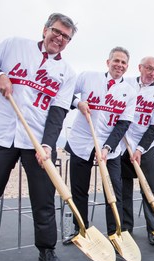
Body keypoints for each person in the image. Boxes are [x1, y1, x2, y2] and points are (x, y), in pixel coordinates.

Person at [0, 13, 77, 261]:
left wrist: (48, 145)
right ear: (45, 29)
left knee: (44, 200)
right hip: (0, 135)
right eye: (56, 31)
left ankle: (47, 251)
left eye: (65, 37)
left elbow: (58, 113)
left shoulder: (67, 73)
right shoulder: (14, 45)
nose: (59, 38)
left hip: (37, 141)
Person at [64, 47, 136, 242]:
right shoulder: (88, 77)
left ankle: (115, 233)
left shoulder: (130, 92)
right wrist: (77, 103)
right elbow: (64, 90)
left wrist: (106, 148)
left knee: (114, 191)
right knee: (79, 190)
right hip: (81, 141)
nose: (119, 65)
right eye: (116, 61)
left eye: (123, 63)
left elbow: (123, 124)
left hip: (110, 148)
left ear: (127, 67)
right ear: (108, 62)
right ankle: (81, 230)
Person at [120, 57, 154, 245]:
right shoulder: (125, 84)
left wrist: (140, 148)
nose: (152, 72)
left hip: (145, 145)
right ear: (140, 68)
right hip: (122, 143)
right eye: (149, 68)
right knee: (124, 189)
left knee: (150, 188)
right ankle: (125, 228)